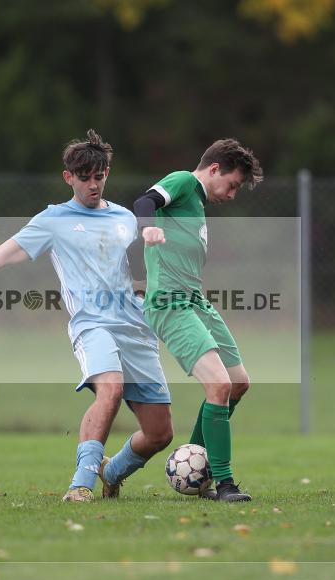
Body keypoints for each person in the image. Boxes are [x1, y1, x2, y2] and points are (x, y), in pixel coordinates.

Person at [0, 130, 173, 502]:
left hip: (136, 328)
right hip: (92, 326)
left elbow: (141, 270)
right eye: (84, 178)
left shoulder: (126, 218)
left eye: (100, 176)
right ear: (68, 177)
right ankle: (81, 484)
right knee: (109, 390)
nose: (93, 185)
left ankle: (112, 471)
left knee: (160, 434)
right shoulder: (53, 220)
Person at [128, 138, 263, 502]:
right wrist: (147, 227)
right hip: (170, 304)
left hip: (197, 301)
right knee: (218, 386)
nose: (233, 194)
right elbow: (145, 201)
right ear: (215, 169)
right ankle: (225, 484)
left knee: (237, 383)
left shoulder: (197, 204)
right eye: (232, 184)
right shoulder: (185, 182)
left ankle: (194, 459)